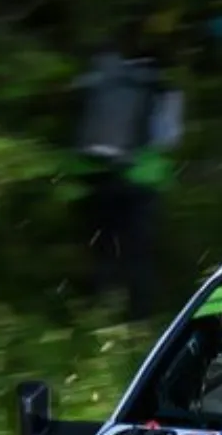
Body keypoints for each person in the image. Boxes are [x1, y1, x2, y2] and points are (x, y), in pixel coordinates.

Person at [72, 34, 184, 323]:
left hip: (99, 175)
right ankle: (139, 319)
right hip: (143, 181)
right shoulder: (161, 89)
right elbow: (169, 139)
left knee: (102, 248)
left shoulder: (105, 79)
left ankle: (98, 315)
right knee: (138, 254)